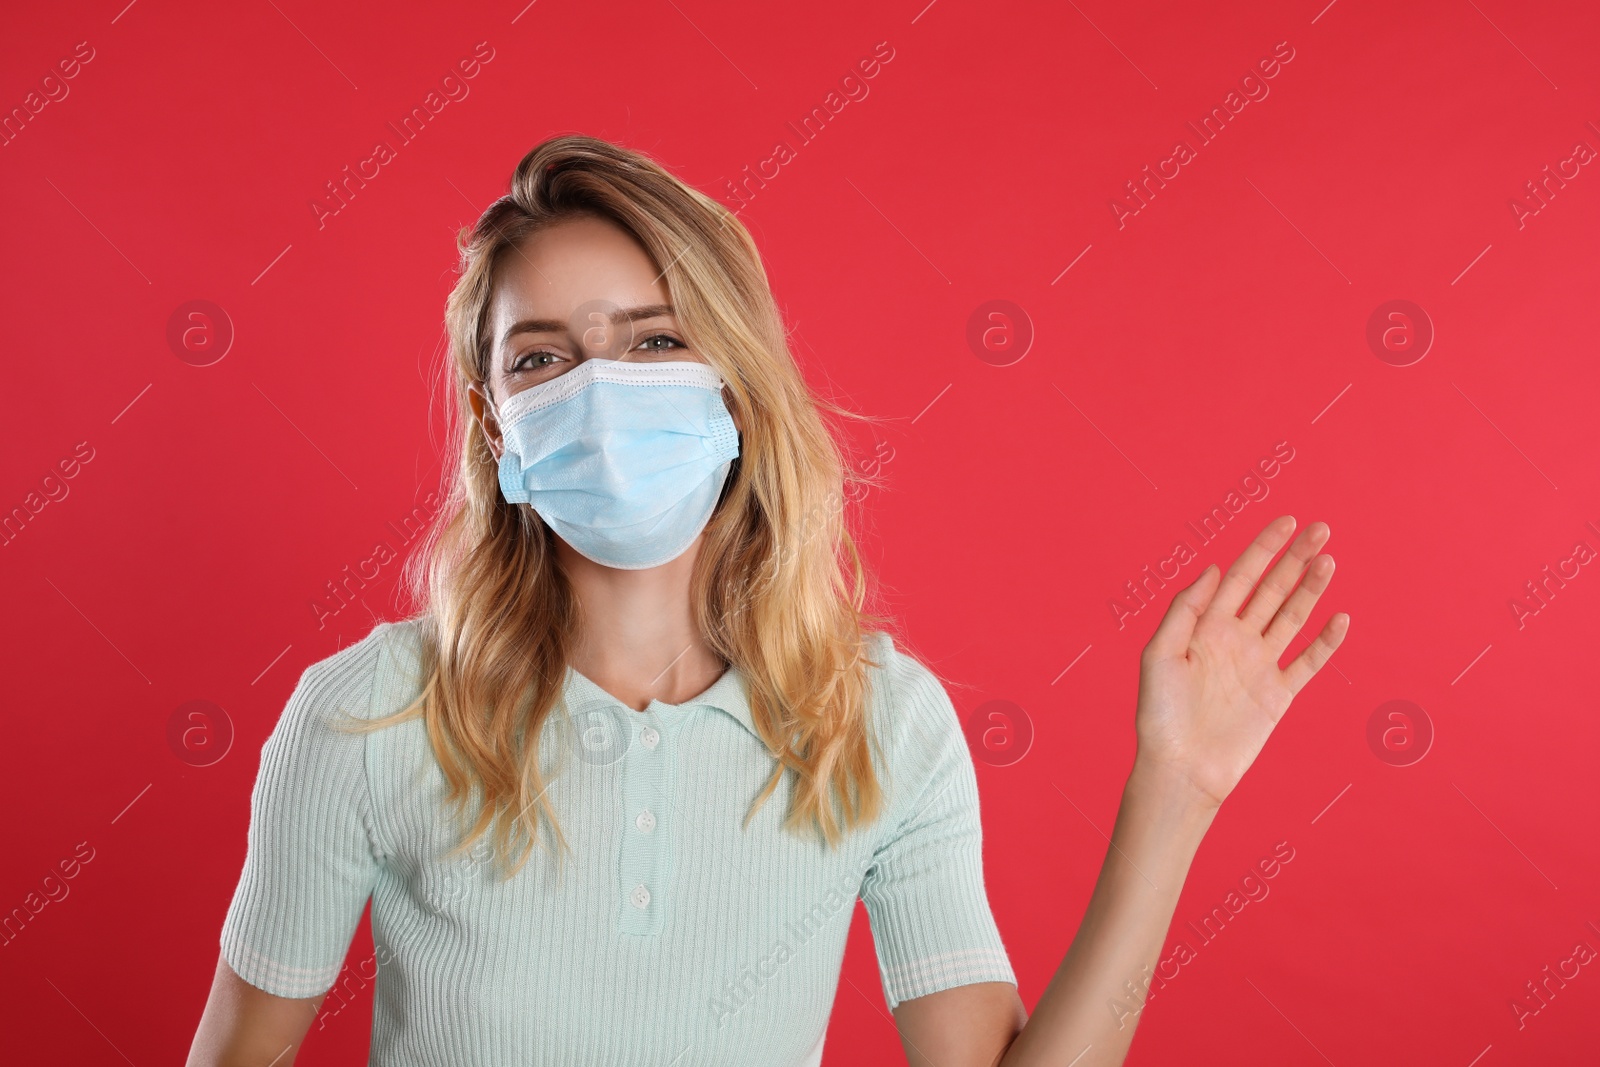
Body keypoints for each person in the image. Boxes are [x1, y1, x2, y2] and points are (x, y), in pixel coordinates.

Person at [186, 135, 1348, 1067]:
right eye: (541, 359)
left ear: (733, 386)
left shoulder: (878, 723)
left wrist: (1174, 792)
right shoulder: (365, 717)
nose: (600, 390)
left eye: (652, 340)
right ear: (496, 427)